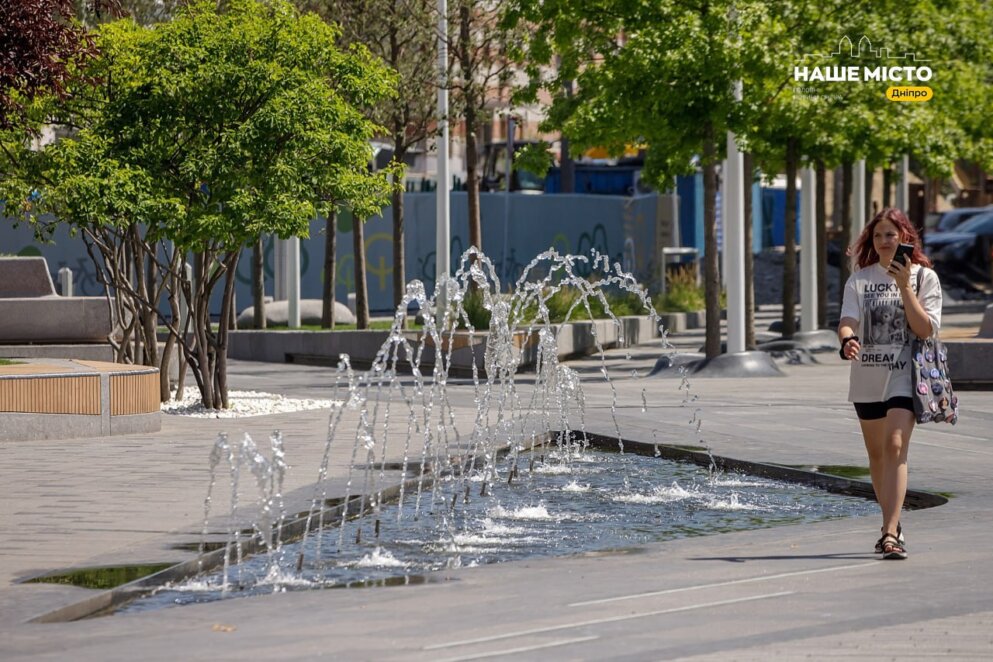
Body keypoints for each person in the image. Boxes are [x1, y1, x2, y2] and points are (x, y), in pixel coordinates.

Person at [838, 207, 942, 560]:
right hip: (867, 375)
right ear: (872, 240)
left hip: (906, 374)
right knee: (878, 455)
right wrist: (848, 339)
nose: (885, 241)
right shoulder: (859, 279)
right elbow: (847, 320)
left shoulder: (925, 278)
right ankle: (893, 524)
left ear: (905, 239)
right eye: (879, 234)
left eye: (892, 234)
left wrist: (903, 284)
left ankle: (888, 533)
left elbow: (925, 329)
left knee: (895, 444)